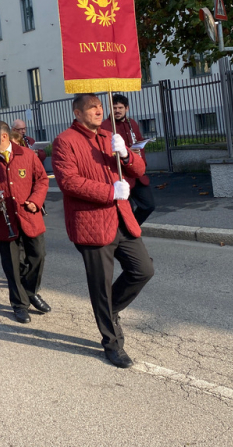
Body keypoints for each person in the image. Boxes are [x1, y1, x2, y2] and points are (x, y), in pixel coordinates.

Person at [51, 93, 154, 369]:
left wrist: (126, 154)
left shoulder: (109, 136)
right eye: (92, 108)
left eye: (100, 106)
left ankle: (111, 310)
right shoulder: (64, 141)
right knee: (101, 286)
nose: (99, 111)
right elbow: (69, 182)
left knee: (143, 269)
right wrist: (110, 191)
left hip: (121, 218)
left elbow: (139, 169)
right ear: (77, 112)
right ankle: (112, 343)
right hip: (91, 223)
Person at [0, 121, 49, 324]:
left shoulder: (27, 155)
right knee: (13, 266)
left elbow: (42, 180)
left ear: (4, 136)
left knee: (38, 256)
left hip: (29, 216)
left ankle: (30, 292)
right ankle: (19, 304)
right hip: (4, 220)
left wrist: (36, 201)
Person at [100, 94, 155, 225]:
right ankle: (128, 232)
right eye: (114, 108)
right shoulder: (104, 127)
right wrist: (126, 152)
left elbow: (139, 142)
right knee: (126, 211)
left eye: (120, 108)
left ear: (127, 108)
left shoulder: (132, 123)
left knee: (148, 205)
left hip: (136, 173)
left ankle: (130, 229)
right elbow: (104, 152)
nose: (117, 111)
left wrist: (141, 161)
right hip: (120, 175)